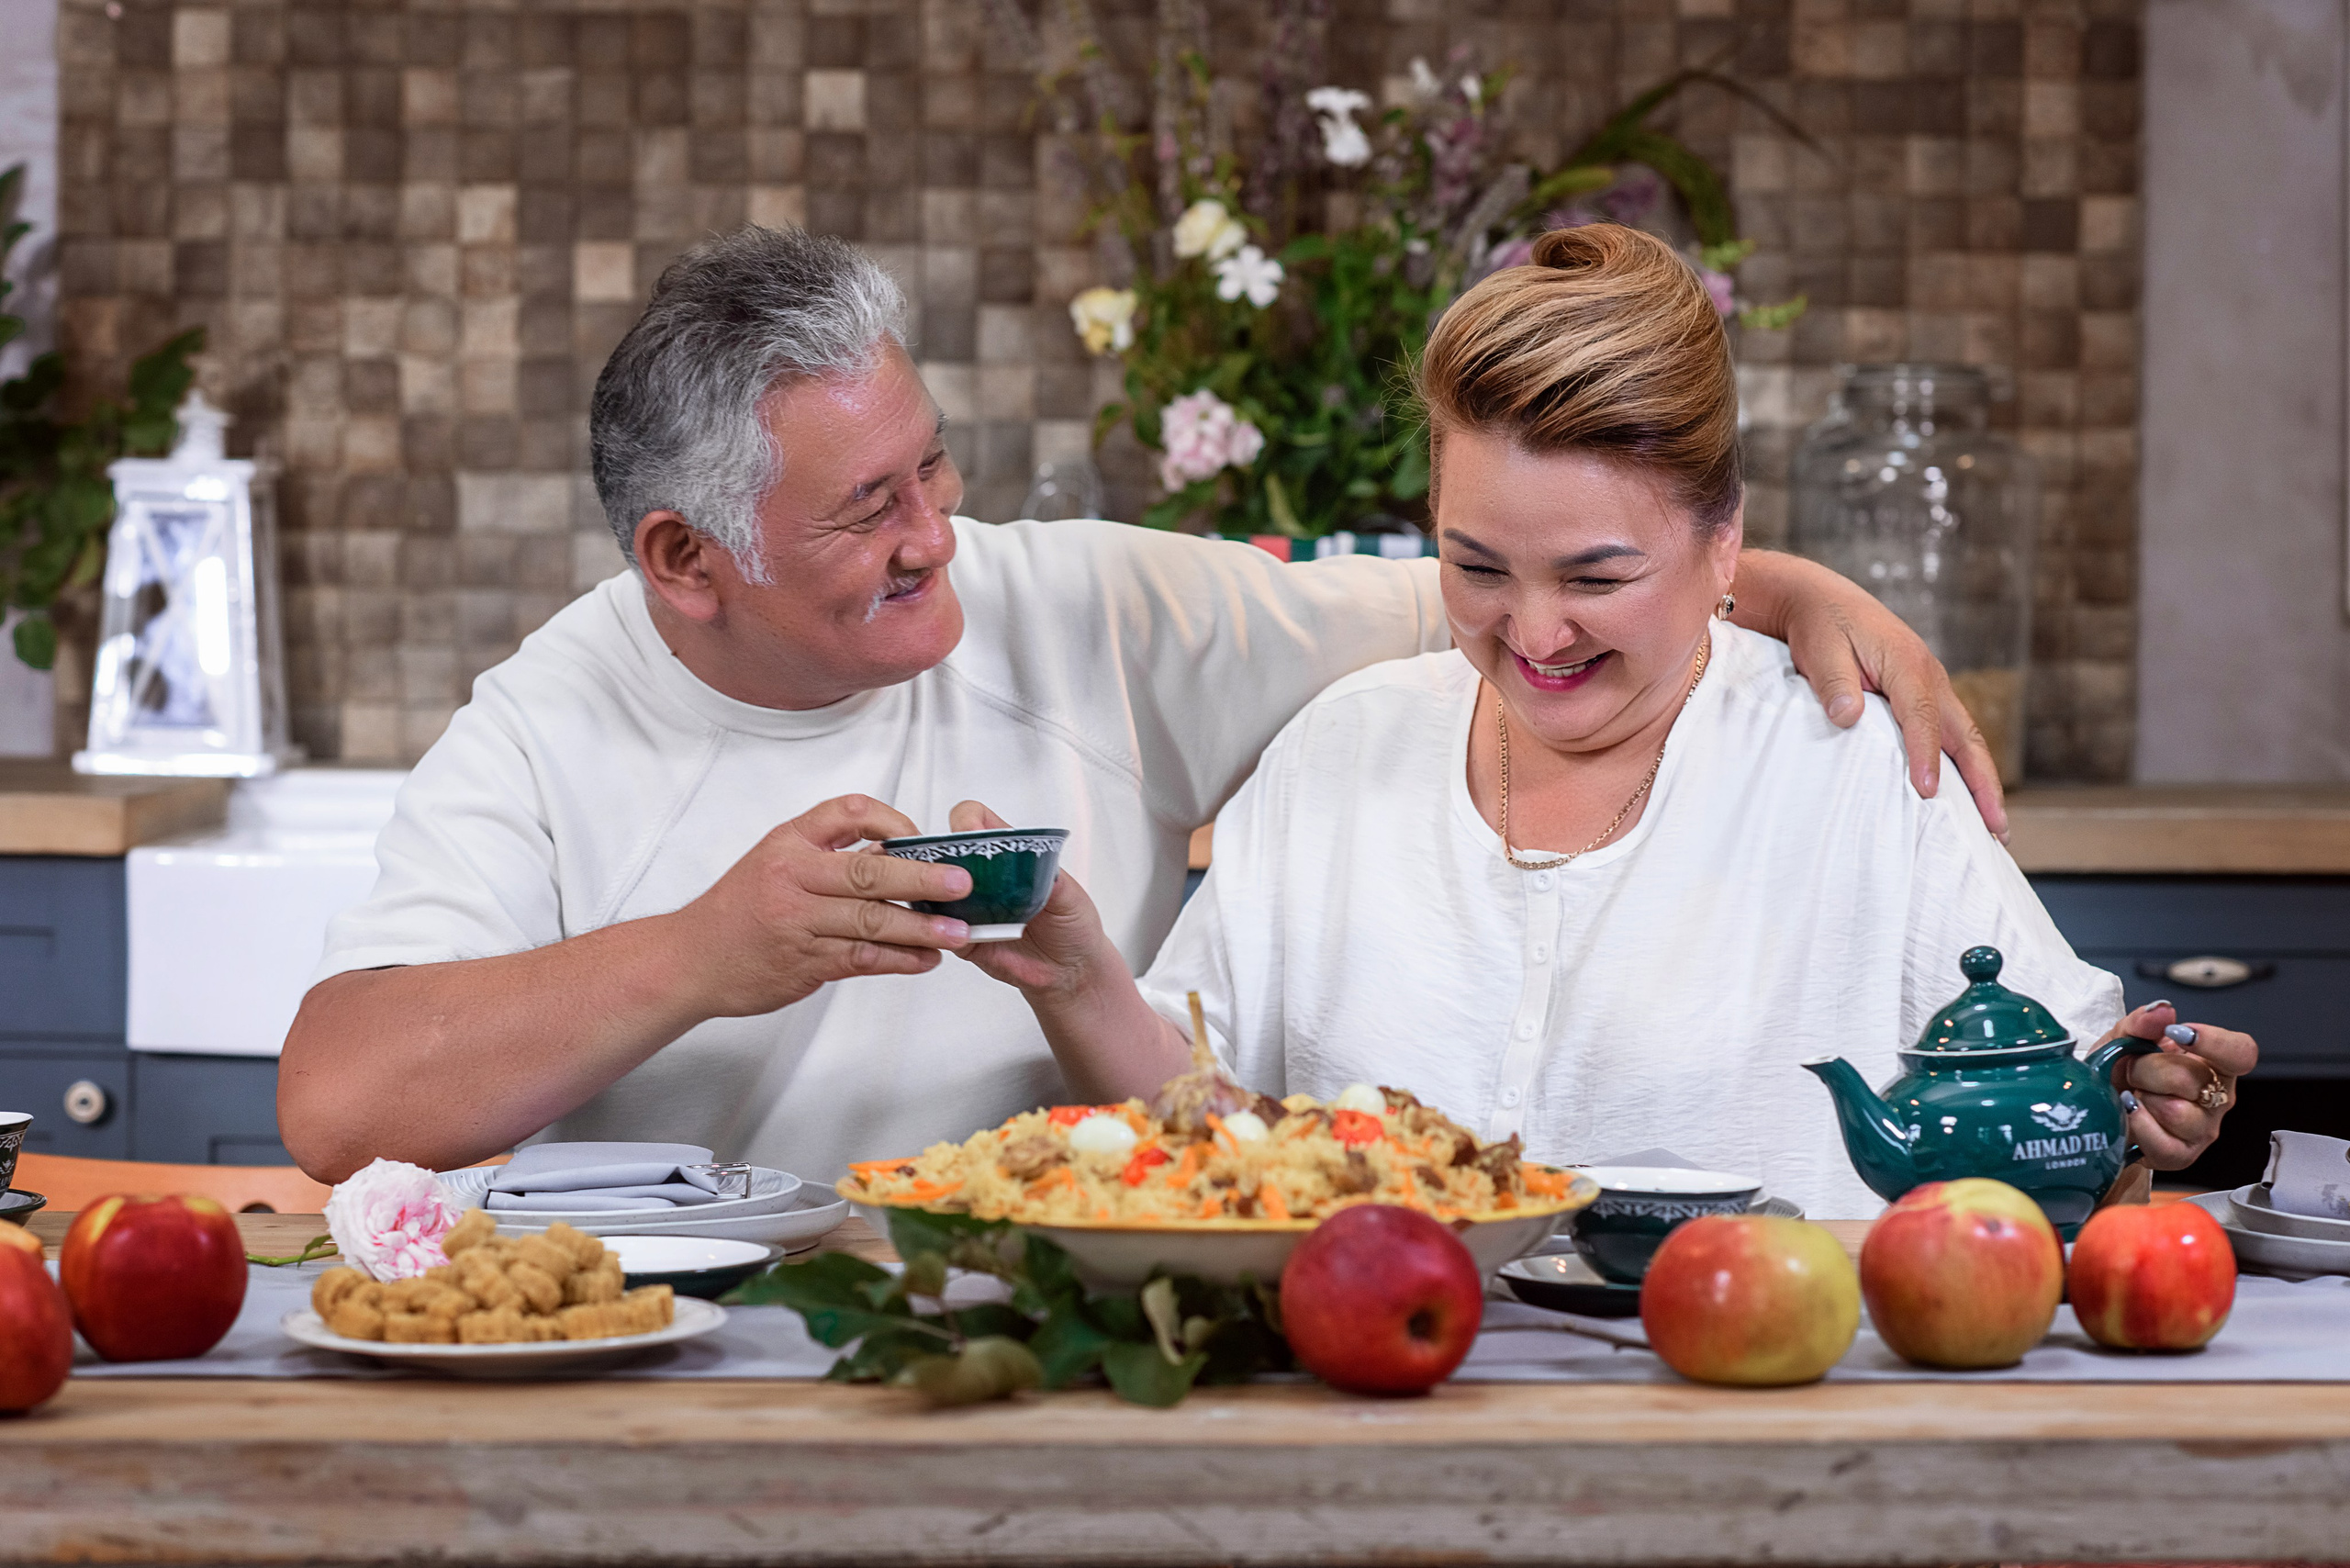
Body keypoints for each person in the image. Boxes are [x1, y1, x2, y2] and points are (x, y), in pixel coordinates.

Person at [280, 224, 2010, 1185]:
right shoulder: (552, 714)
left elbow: (1512, 598)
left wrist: (1774, 583)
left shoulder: (1082, 604)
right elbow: (340, 1103)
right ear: (684, 557)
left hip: (1063, 1369)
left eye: (932, 468)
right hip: (689, 1382)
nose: (937, 536)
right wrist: (703, 954)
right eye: (866, 513)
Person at [961, 225, 2254, 1218]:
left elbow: (2069, 1100)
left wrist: (2149, 1096)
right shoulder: (1340, 751)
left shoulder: (1846, 766)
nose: (1531, 636)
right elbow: (1219, 1144)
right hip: (1368, 1425)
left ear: (1727, 541)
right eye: (1476, 569)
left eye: (1595, 579)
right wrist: (1082, 987)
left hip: (1765, 1444)